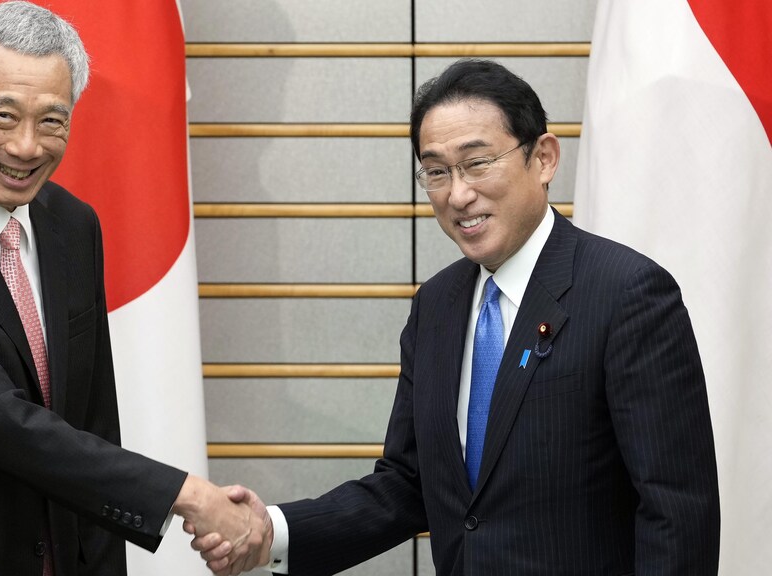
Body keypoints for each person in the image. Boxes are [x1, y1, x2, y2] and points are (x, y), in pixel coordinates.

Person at [192, 59, 720, 575]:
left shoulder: (627, 293)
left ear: (544, 159)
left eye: (477, 162)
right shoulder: (437, 306)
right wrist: (271, 532)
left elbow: (677, 513)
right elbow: (408, 482)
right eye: (437, 172)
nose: (458, 194)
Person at [0, 3, 269, 575]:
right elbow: (1, 421)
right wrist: (191, 496)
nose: (28, 147)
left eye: (52, 120)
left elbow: (89, 419)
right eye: (3, 116)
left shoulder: (70, 223)